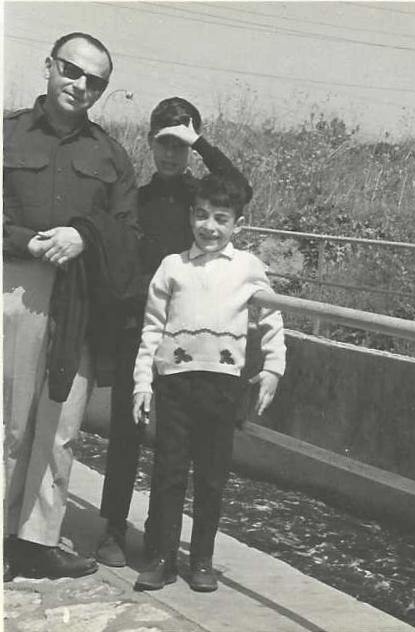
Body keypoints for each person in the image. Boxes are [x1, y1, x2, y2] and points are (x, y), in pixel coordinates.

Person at [3, 32, 138, 582]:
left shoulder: (109, 154)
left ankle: (37, 540)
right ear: (49, 67)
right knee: (6, 421)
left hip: (79, 297)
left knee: (59, 425)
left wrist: (85, 235)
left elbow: (131, 235)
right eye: (72, 71)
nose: (81, 86)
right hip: (14, 286)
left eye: (95, 81)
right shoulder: (6, 134)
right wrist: (22, 242)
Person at [96, 97, 252, 567]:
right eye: (163, 142)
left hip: (191, 337)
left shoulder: (199, 199)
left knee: (181, 446)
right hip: (140, 329)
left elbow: (240, 189)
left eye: (179, 144)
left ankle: (160, 533)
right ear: (150, 143)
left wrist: (200, 142)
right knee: (128, 430)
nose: (170, 154)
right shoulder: (137, 199)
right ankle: (112, 528)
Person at [131, 173, 286, 592]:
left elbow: (272, 318)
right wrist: (142, 383)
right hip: (175, 385)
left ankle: (201, 560)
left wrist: (273, 367)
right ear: (190, 216)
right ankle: (162, 558)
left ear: (239, 224)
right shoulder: (172, 267)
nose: (210, 227)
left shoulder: (248, 267)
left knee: (212, 478)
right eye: (201, 216)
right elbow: (151, 330)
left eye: (221, 218)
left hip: (222, 386)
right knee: (168, 474)